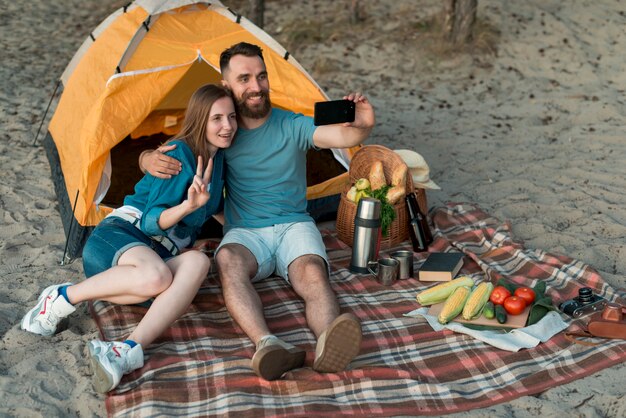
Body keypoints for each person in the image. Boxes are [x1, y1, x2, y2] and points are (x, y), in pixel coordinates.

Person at [141, 42, 376, 380]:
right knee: (227, 261)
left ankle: (329, 342)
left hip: (294, 224)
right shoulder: (224, 132)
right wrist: (146, 157)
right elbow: (181, 144)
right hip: (246, 232)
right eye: (245, 78)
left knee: (312, 271)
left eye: (261, 76)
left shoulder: (291, 125)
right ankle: (266, 344)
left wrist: (363, 126)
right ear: (227, 86)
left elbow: (338, 135)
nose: (256, 86)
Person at [20, 84, 237, 392]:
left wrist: (250, 234)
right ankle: (62, 298)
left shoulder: (220, 160)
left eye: (231, 117)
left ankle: (125, 351)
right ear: (200, 119)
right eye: (217, 118)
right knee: (157, 277)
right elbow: (150, 223)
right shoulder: (179, 155)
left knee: (199, 262)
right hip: (121, 238)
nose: (227, 126)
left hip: (149, 266)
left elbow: (217, 209)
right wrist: (187, 206)